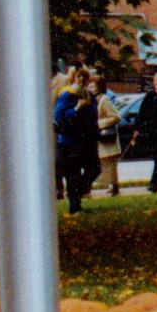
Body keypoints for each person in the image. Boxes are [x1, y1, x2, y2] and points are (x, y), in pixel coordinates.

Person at [52, 70, 100, 213]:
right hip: (69, 142)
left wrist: (95, 134)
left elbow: (93, 117)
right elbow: (60, 117)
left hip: (87, 141)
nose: (81, 79)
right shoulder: (67, 95)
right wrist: (76, 109)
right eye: (78, 76)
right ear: (73, 78)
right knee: (73, 174)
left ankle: (78, 193)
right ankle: (75, 207)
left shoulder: (90, 96)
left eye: (85, 77)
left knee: (94, 168)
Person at [94, 74, 123, 197]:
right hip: (100, 137)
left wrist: (100, 123)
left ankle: (115, 186)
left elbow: (116, 116)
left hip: (107, 136)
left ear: (99, 87)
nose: (90, 88)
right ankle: (112, 185)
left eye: (92, 85)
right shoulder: (94, 99)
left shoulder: (104, 100)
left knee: (111, 163)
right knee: (105, 162)